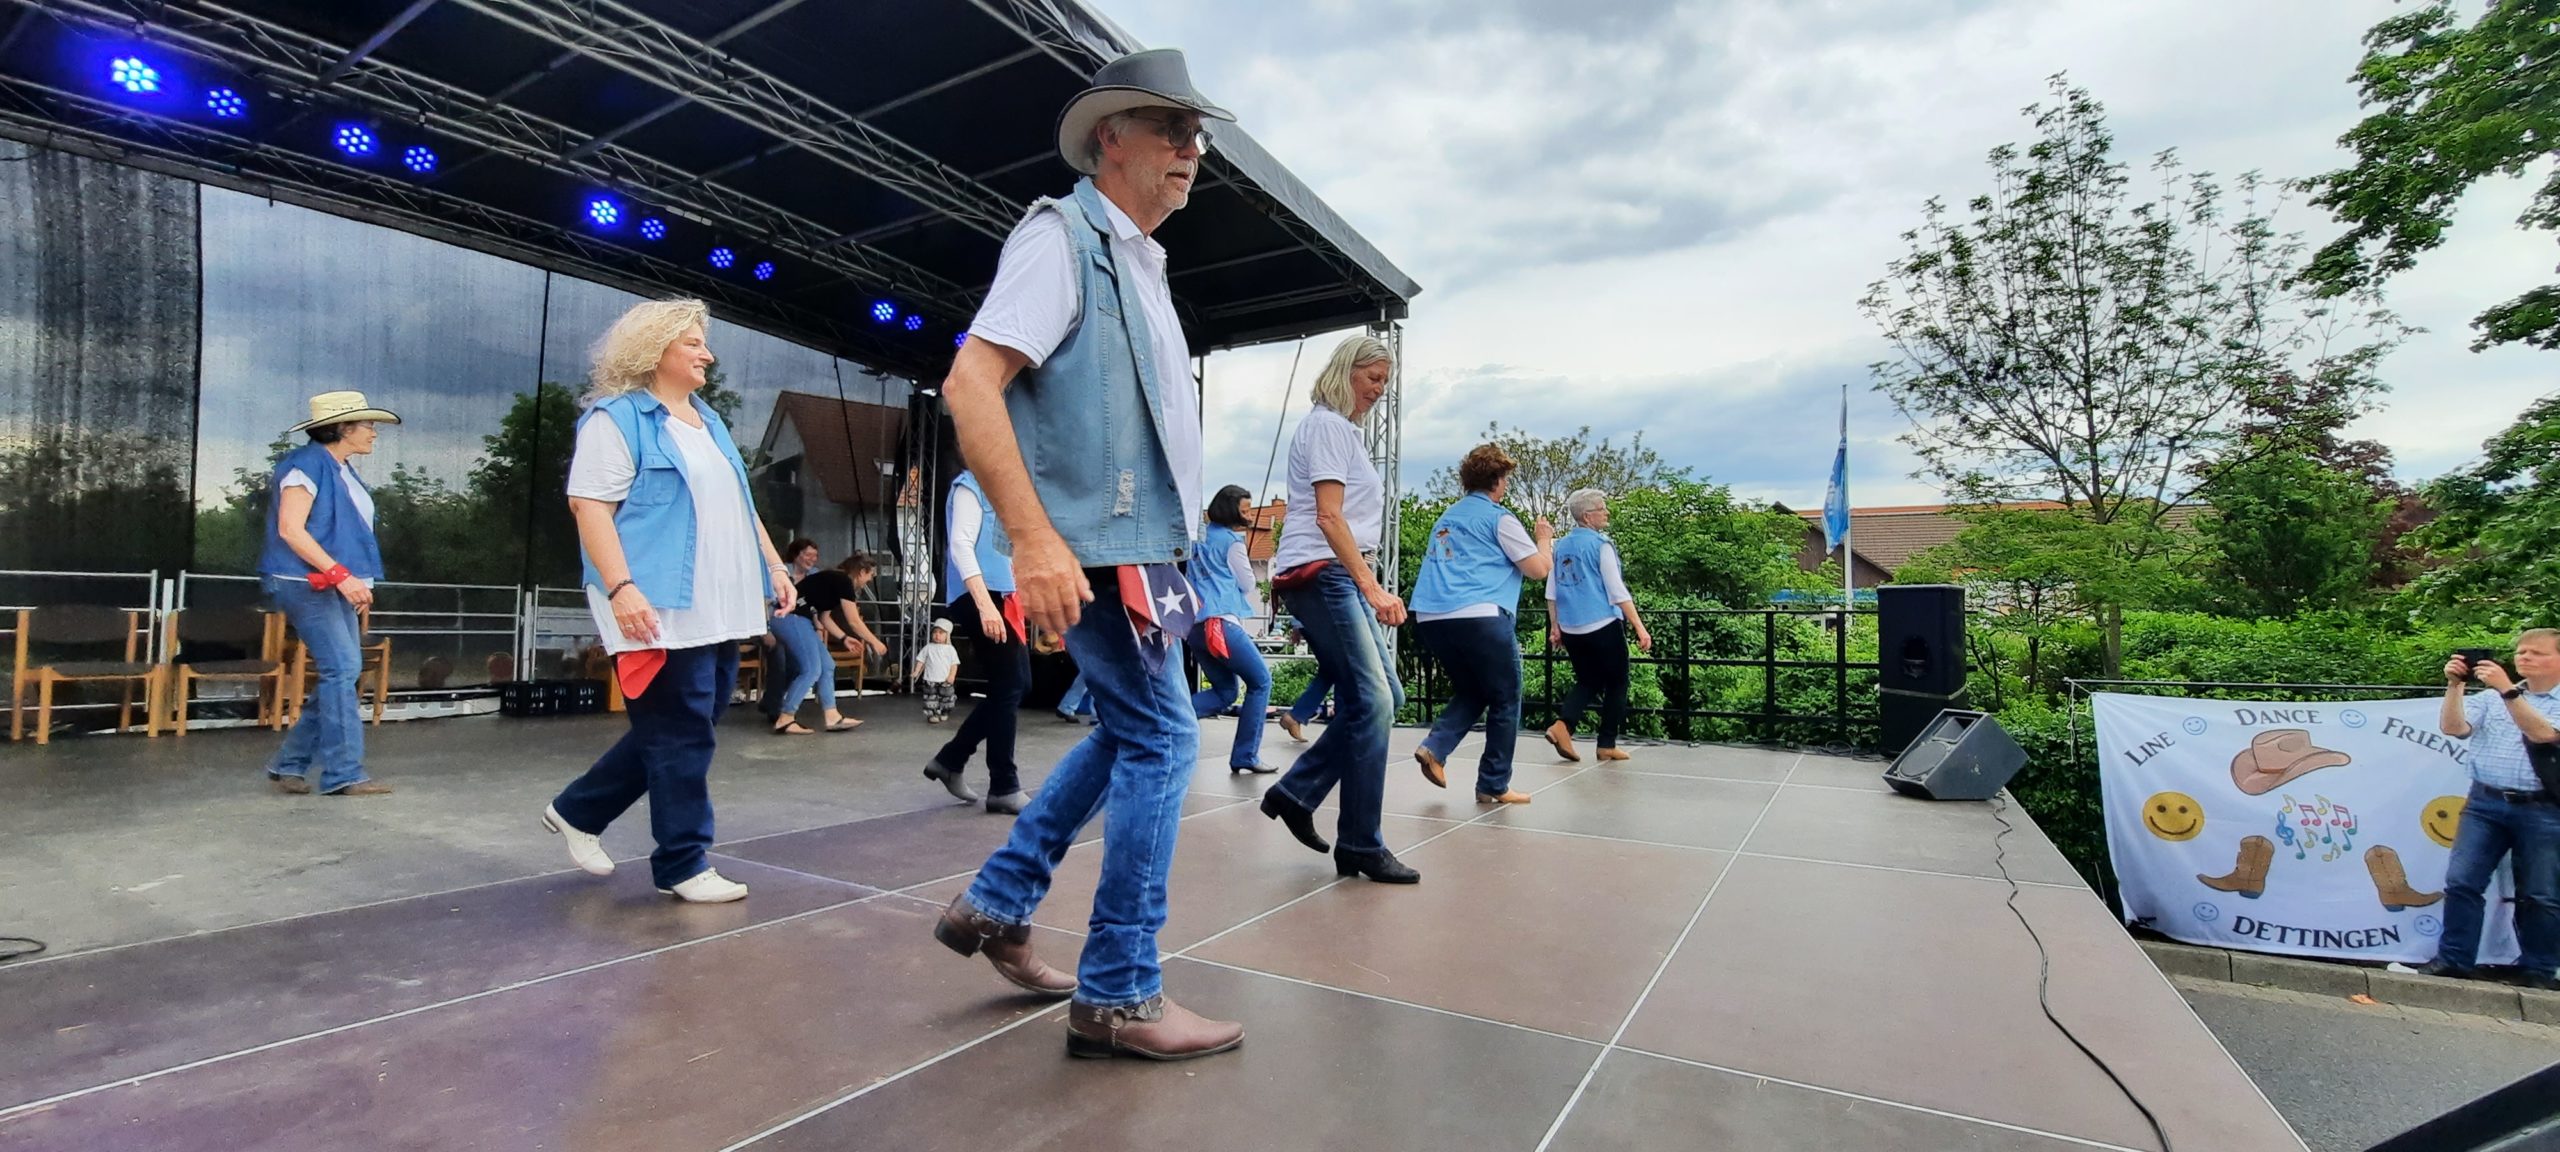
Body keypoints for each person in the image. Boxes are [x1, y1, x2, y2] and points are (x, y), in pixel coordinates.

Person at [928, 47, 1244, 1061]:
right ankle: (1118, 992)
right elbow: (970, 385)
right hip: (1100, 549)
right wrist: (1031, 538)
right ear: (1109, 138)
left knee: (1132, 730)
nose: (1191, 148)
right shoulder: (1062, 238)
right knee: (1161, 740)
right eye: (1171, 129)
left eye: (1197, 134)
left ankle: (997, 902)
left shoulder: (1136, 258)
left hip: (1143, 550)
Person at [540, 298, 795, 905]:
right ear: (654, 350)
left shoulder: (709, 422)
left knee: (688, 723)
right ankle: (683, 862)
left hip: (719, 602)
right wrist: (622, 588)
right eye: (693, 343)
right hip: (656, 602)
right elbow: (589, 507)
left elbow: (741, 506)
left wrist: (774, 565)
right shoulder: (616, 419)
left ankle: (578, 810)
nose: (708, 354)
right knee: (682, 731)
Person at [1258, 333, 1416, 884]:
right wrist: (1372, 587)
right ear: (1345, 372)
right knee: (1373, 700)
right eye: (1372, 378)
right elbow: (1329, 516)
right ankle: (1361, 844)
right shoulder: (1326, 427)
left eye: (1385, 382)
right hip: (1324, 572)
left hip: (1335, 572)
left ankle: (1296, 793)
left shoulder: (1341, 432)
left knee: (1385, 697)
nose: (1379, 390)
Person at [2387, 632, 2560, 990]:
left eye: (2536, 652)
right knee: (2462, 881)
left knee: (2541, 892)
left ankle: (2539, 971)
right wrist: (2455, 686)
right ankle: (2453, 961)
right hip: (2485, 802)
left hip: (2543, 806)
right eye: (2520, 651)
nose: (2524, 657)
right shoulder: (2490, 698)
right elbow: (2454, 728)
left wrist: (2508, 690)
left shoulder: (2513, 695)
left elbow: (2543, 734)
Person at [261, 390, 402, 797]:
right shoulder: (305, 465)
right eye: (368, 425)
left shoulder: (338, 468)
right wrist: (342, 576)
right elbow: (290, 529)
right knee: (342, 669)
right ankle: (343, 773)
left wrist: (354, 580)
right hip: (306, 582)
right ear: (343, 428)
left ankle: (290, 764)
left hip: (329, 582)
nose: (374, 432)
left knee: (344, 671)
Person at [1408, 445, 1552, 803]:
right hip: (1481, 614)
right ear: (1497, 480)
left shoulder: (1447, 518)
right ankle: (1493, 783)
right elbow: (1538, 570)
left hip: (1431, 616)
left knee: (1474, 689)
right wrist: (1544, 540)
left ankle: (1435, 749)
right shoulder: (1498, 518)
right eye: (1505, 479)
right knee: (1506, 696)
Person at [921, 468, 1032, 814]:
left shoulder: (1003, 489)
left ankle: (951, 760)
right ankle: (1002, 785)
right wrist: (985, 605)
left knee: (1016, 685)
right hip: (981, 595)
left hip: (1001, 595)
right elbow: (960, 545)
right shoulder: (971, 485)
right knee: (1009, 685)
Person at [1544, 487, 1653, 763]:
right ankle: (1606, 744)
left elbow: (1551, 590)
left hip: (1571, 627)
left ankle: (1563, 726)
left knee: (1589, 680)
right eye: (1602, 508)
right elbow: (1617, 590)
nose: (1607, 512)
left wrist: (1555, 626)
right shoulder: (1600, 545)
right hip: (1602, 623)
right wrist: (1639, 626)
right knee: (1617, 682)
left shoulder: (1561, 546)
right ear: (1587, 516)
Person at [1191, 484, 1277, 774]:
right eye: (1245, 511)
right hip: (1221, 623)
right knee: (1261, 681)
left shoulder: (1196, 538)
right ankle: (1245, 754)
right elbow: (1248, 583)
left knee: (1226, 692)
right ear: (1231, 511)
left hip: (1195, 626)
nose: (1250, 516)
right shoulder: (1232, 542)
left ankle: (1166, 721)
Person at [761, 539, 859, 734]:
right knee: (800, 666)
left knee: (826, 665)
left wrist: (823, 631)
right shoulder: (780, 573)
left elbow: (815, 609)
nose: (812, 559)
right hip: (781, 620)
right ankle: (781, 712)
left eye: (815, 555)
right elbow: (766, 602)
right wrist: (766, 629)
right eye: (808, 554)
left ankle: (831, 715)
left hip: (802, 623)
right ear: (796, 555)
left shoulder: (815, 575)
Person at [803, 550, 889, 720]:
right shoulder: (844, 582)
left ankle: (829, 715)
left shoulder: (836, 580)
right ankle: (786, 713)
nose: (870, 580)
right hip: (796, 618)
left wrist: (843, 638)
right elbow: (854, 621)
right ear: (861, 572)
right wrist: (874, 641)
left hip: (797, 618)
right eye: (870, 575)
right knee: (812, 670)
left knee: (824, 666)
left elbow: (824, 617)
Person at [915, 619, 961, 723]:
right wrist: (916, 671)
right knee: (930, 697)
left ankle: (944, 712)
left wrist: (952, 675)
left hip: (945, 679)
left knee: (946, 697)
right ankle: (932, 714)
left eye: (941, 633)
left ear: (947, 635)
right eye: (935, 632)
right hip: (930, 679)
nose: (937, 635)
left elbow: (954, 664)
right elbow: (921, 660)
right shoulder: (928, 647)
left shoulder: (950, 649)